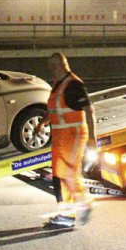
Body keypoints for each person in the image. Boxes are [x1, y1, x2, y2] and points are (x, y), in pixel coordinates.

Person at [35, 52, 97, 227]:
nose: (50, 71)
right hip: (61, 137)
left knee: (68, 174)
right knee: (59, 176)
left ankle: (85, 203)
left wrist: (92, 138)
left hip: (73, 135)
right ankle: (66, 216)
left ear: (57, 66)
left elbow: (89, 110)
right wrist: (43, 123)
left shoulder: (74, 85)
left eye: (51, 67)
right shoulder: (58, 85)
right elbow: (54, 109)